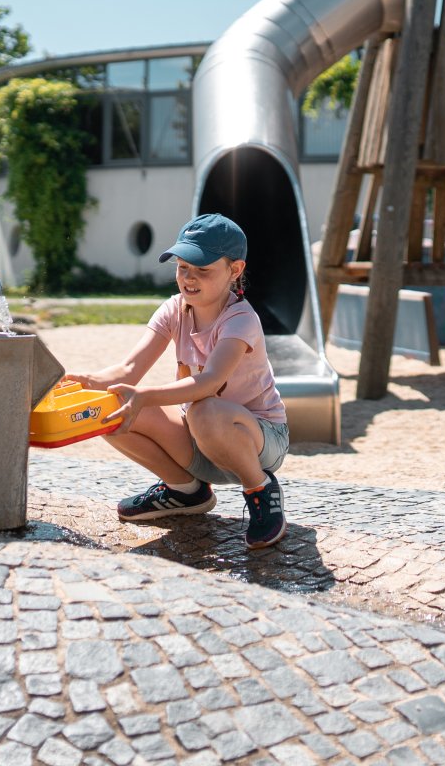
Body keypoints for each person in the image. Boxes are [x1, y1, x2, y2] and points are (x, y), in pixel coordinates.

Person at [64, 213, 289, 550]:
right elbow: (127, 371)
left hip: (259, 441)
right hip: (200, 436)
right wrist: (84, 383)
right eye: (183, 267)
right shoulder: (174, 310)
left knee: (204, 410)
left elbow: (209, 383)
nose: (189, 278)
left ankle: (259, 489)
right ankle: (186, 491)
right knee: (107, 408)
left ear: (235, 270)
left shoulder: (240, 319)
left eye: (203, 270)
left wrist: (144, 396)